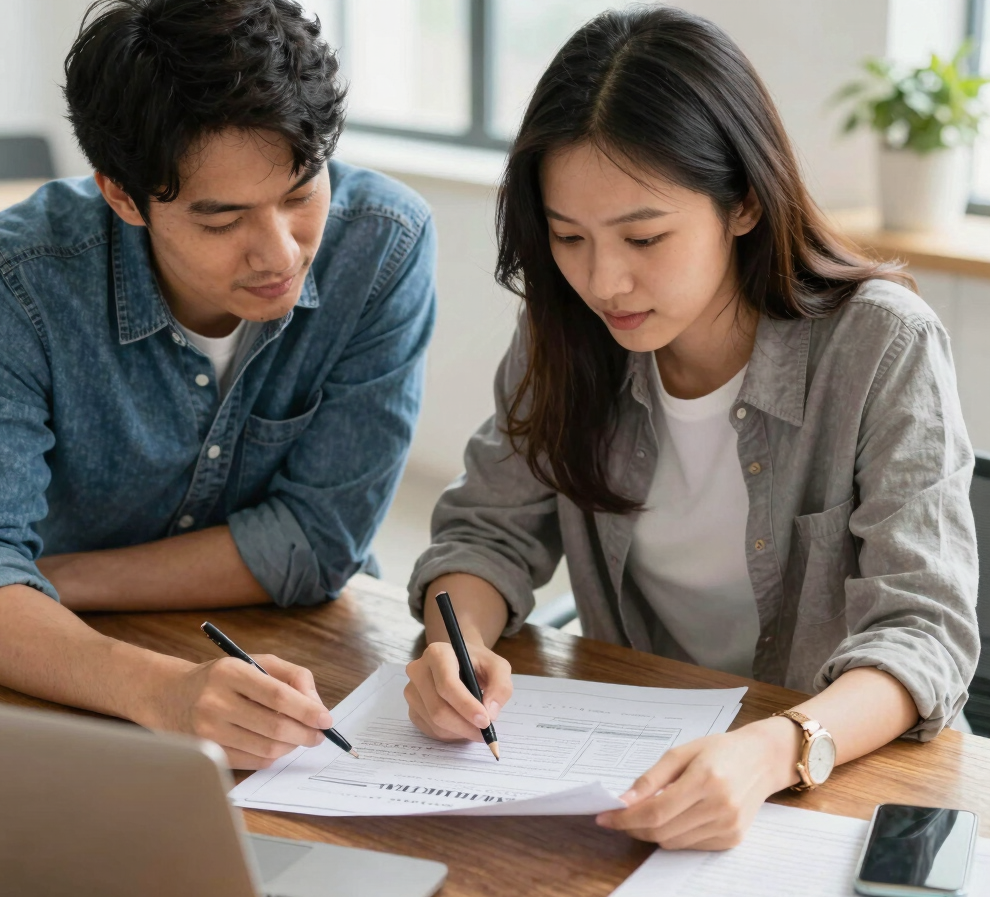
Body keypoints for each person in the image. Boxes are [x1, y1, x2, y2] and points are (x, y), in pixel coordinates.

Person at [404, 6, 978, 850]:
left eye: (644, 236)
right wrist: (453, 646)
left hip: (833, 777)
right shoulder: (567, 333)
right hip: (641, 772)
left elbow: (924, 629)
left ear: (742, 203)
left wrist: (772, 751)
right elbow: (488, 531)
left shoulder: (879, 344)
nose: (605, 280)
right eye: (569, 237)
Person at [0, 0, 435, 769]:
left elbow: (321, 543)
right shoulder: (11, 283)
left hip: (297, 664)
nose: (279, 253)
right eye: (223, 222)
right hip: (68, 684)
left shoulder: (383, 246)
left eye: (300, 193)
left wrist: (50, 581)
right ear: (122, 196)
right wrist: (162, 692)